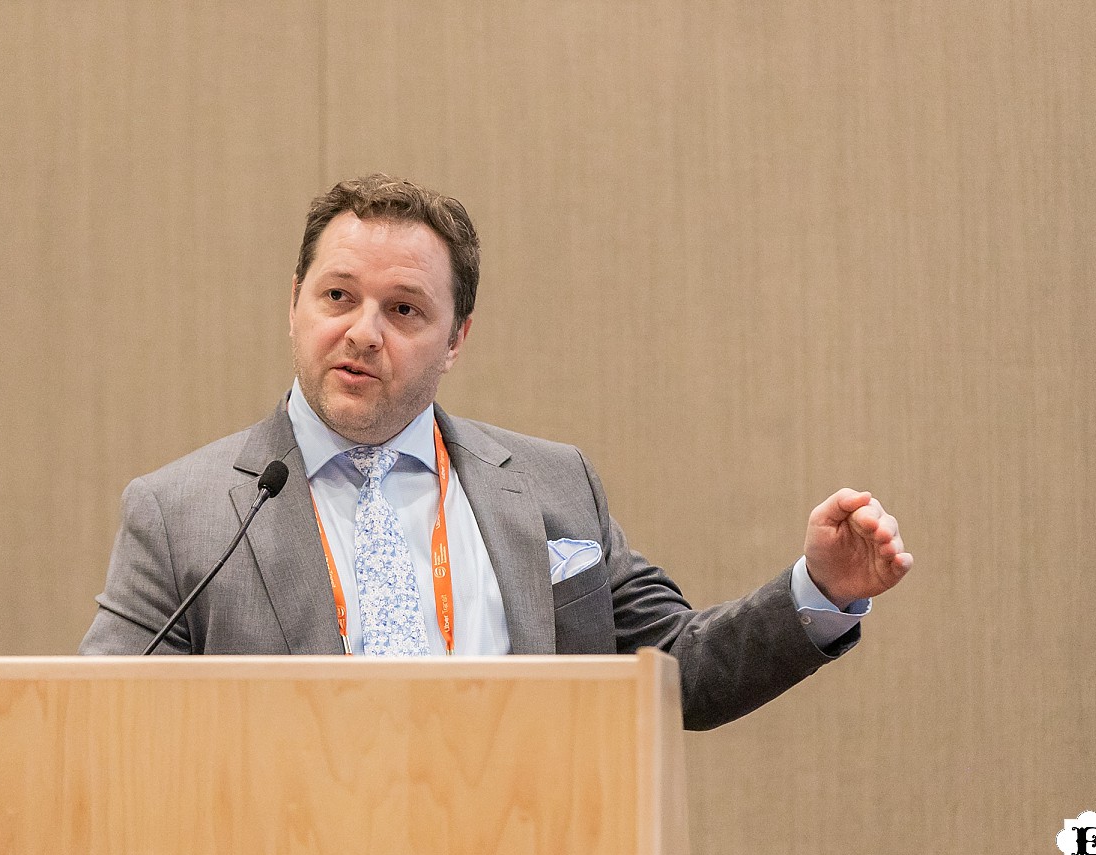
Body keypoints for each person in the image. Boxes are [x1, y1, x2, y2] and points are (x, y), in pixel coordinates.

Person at [80, 173, 912, 731]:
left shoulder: (551, 488)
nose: (363, 332)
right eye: (338, 296)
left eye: (405, 309)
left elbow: (677, 672)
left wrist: (821, 590)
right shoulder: (183, 513)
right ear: (293, 305)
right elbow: (97, 727)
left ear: (456, 339)